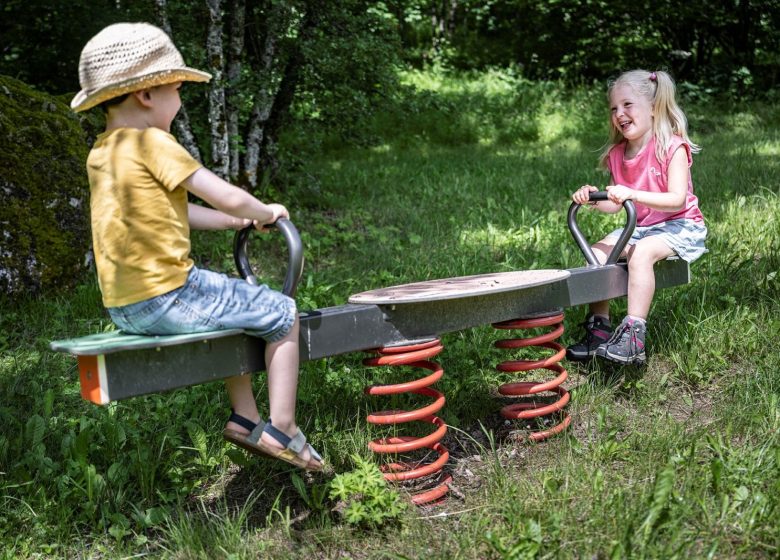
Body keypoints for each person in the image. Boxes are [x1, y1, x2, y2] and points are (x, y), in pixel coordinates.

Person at [71, 22, 322, 471]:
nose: (181, 99)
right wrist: (263, 211)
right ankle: (284, 429)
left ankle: (245, 419)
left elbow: (173, 212)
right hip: (168, 294)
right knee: (282, 314)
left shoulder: (104, 150)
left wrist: (233, 222)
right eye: (177, 88)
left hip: (125, 304)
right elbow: (223, 192)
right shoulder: (153, 142)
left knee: (232, 306)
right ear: (146, 94)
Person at [566, 69, 707, 366]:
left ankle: (633, 334)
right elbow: (616, 205)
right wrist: (594, 198)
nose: (620, 114)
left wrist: (632, 193)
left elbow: (676, 200)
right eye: (614, 108)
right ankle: (599, 328)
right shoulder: (618, 154)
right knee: (594, 254)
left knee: (640, 254)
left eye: (628, 105)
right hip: (641, 226)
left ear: (653, 107)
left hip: (680, 225)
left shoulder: (672, 146)